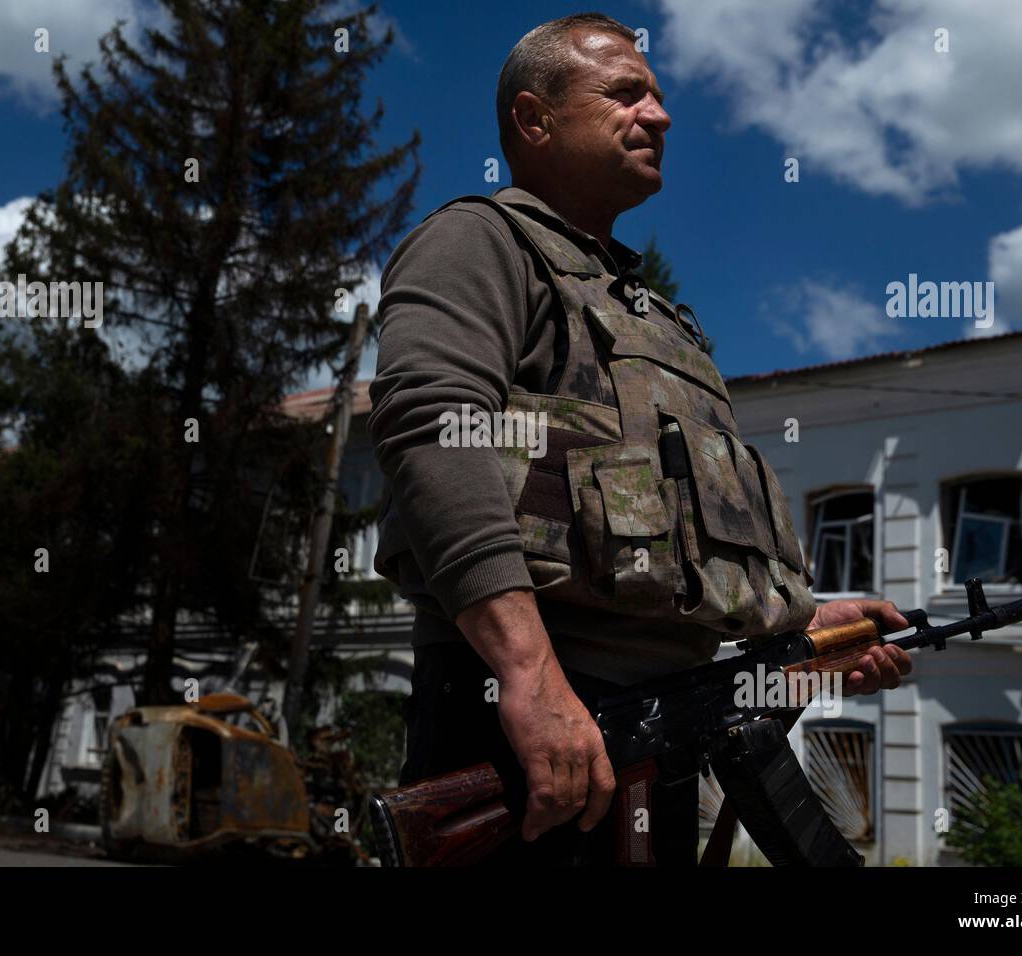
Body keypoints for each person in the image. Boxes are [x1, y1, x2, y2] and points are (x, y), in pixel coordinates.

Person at [367, 12, 912, 866]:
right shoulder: (480, 240)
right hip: (533, 713)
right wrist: (527, 674)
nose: (657, 115)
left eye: (657, 97)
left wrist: (803, 628)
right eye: (625, 93)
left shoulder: (658, 317)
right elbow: (433, 426)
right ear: (533, 119)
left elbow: (674, 548)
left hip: (663, 725)